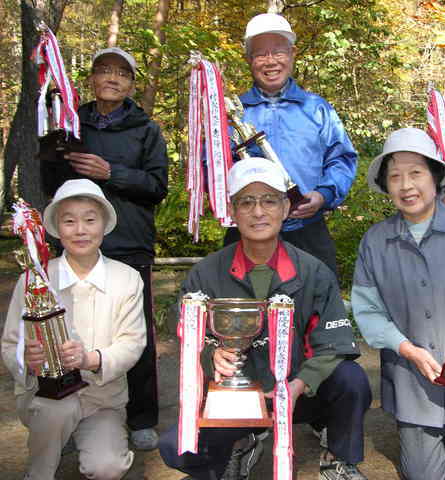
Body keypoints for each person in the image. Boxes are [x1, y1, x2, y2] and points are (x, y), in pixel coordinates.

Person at [159, 157, 371, 480]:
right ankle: (240, 443)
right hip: (234, 399)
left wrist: (298, 386)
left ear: (286, 208)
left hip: (298, 394)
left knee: (351, 379)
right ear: (232, 211)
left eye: (269, 200)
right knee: (176, 447)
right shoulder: (205, 274)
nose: (258, 212)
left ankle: (338, 457)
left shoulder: (314, 271)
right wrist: (211, 354)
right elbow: (189, 338)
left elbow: (333, 344)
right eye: (246, 202)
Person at [352, 127, 445, 480]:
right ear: (386, 185)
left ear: (436, 177)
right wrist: (408, 349)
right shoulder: (376, 241)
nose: (406, 185)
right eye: (395, 176)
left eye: (416, 173)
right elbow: (368, 311)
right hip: (413, 385)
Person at [43, 46, 169, 450]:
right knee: (70, 329)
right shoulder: (69, 123)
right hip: (76, 245)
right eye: (104, 71)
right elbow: (52, 183)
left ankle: (142, 417)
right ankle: (72, 410)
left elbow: (157, 187)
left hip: (130, 244)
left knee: (138, 335)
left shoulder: (147, 129)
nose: (112, 78)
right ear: (92, 79)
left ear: (132, 83)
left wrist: (111, 173)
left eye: (122, 73)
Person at [1, 179, 146, 480]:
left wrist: (89, 359)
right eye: (69, 221)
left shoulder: (127, 279)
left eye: (90, 220)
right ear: (57, 228)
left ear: (104, 225)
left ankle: (84, 439)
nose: (80, 230)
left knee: (107, 468)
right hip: (46, 398)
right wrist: (27, 360)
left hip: (102, 399)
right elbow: (10, 343)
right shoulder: (35, 279)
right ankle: (39, 471)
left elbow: (132, 343)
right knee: (58, 411)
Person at [223, 13, 358, 277]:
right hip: (246, 232)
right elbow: (214, 167)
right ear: (249, 59)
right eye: (260, 54)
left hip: (307, 228)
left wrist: (323, 195)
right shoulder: (231, 114)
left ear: (292, 54)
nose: (270, 61)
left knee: (316, 308)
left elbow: (341, 159)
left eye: (278, 52)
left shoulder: (317, 108)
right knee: (246, 310)